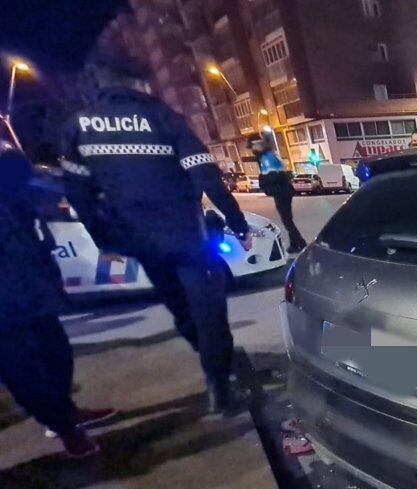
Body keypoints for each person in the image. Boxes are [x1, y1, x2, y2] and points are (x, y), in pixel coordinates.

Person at [60, 50, 252, 414]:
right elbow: (206, 175)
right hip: (187, 237)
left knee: (180, 308)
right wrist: (237, 223)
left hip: (141, 241)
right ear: (139, 83)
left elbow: (78, 194)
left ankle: (215, 368)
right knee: (209, 312)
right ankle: (220, 387)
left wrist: (105, 239)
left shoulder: (79, 126)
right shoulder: (163, 118)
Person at [0, 147, 114, 458]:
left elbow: (31, 189)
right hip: (7, 304)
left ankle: (66, 413)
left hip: (30, 286)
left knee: (56, 352)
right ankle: (66, 430)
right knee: (24, 370)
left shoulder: (12, 188)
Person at [248, 134, 306, 253]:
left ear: (257, 145)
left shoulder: (266, 158)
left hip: (281, 191)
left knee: (287, 221)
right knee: (287, 219)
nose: (252, 150)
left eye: (253, 146)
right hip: (283, 191)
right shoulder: (268, 155)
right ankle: (295, 244)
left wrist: (262, 180)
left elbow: (274, 176)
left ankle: (301, 244)